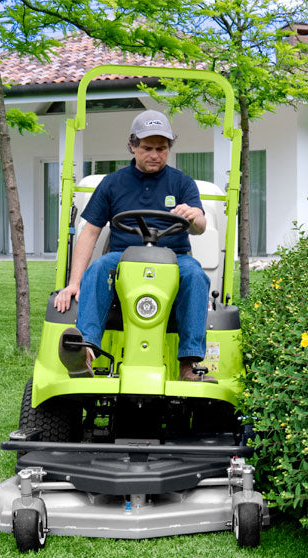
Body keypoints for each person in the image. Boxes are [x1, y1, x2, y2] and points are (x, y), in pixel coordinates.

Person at [54, 109, 214, 382]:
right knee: (99, 268)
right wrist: (73, 282)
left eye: (162, 148)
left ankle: (189, 364)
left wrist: (194, 215)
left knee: (196, 276)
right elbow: (90, 232)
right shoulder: (112, 183)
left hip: (174, 256)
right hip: (123, 257)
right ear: (132, 145)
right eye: (148, 148)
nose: (155, 154)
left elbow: (199, 226)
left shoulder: (182, 183)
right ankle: (86, 353)